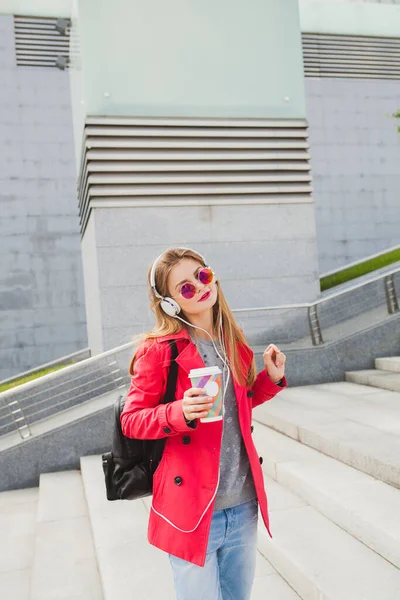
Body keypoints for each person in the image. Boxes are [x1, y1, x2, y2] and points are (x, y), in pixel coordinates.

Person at [121, 247, 287, 600]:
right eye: (184, 287)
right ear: (169, 303)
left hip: (242, 503)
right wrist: (178, 412)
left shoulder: (232, 339)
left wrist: (270, 380)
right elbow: (131, 421)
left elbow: (240, 406)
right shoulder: (159, 350)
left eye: (202, 275)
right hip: (192, 508)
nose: (199, 288)